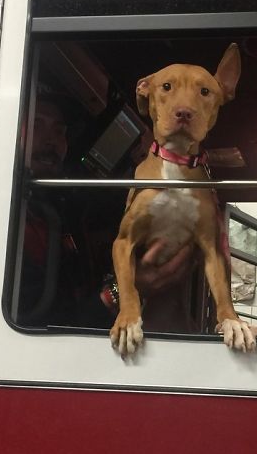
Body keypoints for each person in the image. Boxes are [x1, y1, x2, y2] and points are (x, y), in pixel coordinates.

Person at [16, 92, 194, 331]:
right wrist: (122, 291)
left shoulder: (63, 205)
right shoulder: (7, 219)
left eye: (59, 131)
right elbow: (41, 325)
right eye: (37, 125)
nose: (52, 140)